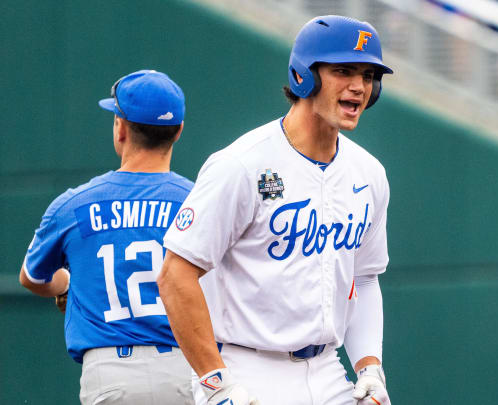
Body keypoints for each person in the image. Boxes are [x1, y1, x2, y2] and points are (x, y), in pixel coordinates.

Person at [158, 15, 393, 405]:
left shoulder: (369, 173)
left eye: (369, 76)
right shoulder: (242, 164)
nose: (359, 87)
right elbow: (175, 275)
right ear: (305, 76)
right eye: (344, 71)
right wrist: (216, 382)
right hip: (248, 367)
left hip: (327, 369)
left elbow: (365, 278)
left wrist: (369, 367)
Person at [19, 70, 195, 405]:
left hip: (112, 372)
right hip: (186, 368)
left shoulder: (73, 204)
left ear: (121, 128)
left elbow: (33, 277)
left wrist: (68, 284)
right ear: (179, 131)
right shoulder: (200, 201)